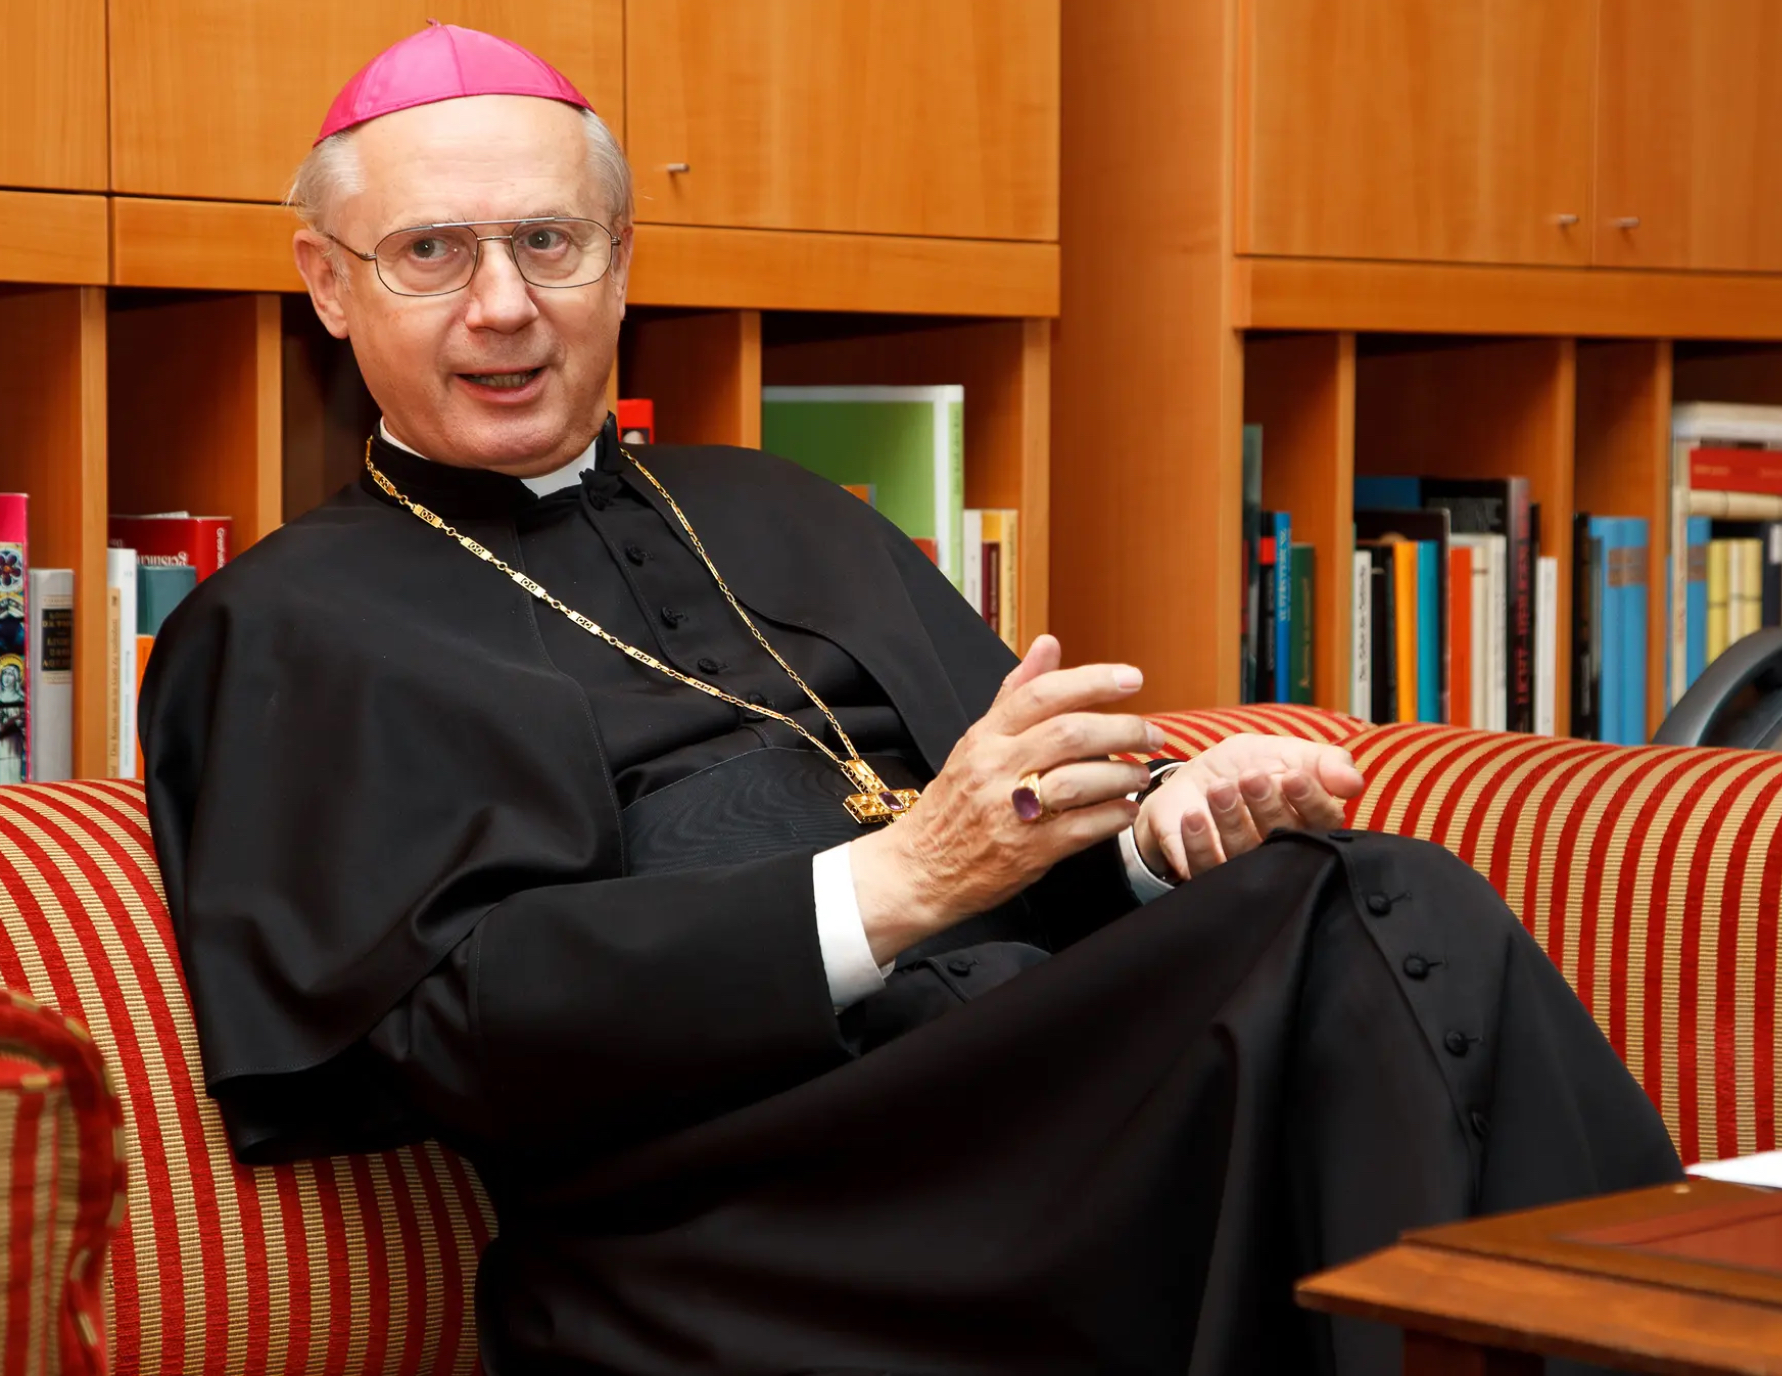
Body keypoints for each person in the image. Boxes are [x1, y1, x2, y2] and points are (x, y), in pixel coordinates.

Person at [142, 24, 1680, 1376]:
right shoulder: (278, 627)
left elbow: (1016, 836)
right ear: (327, 285)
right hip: (734, 1218)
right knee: (1371, 914)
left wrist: (1154, 843)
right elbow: (441, 1034)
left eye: (552, 243)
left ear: (622, 260)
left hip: (1017, 1106)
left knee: (1350, 897)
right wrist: (897, 886)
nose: (503, 305)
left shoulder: (781, 508)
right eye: (430, 253)